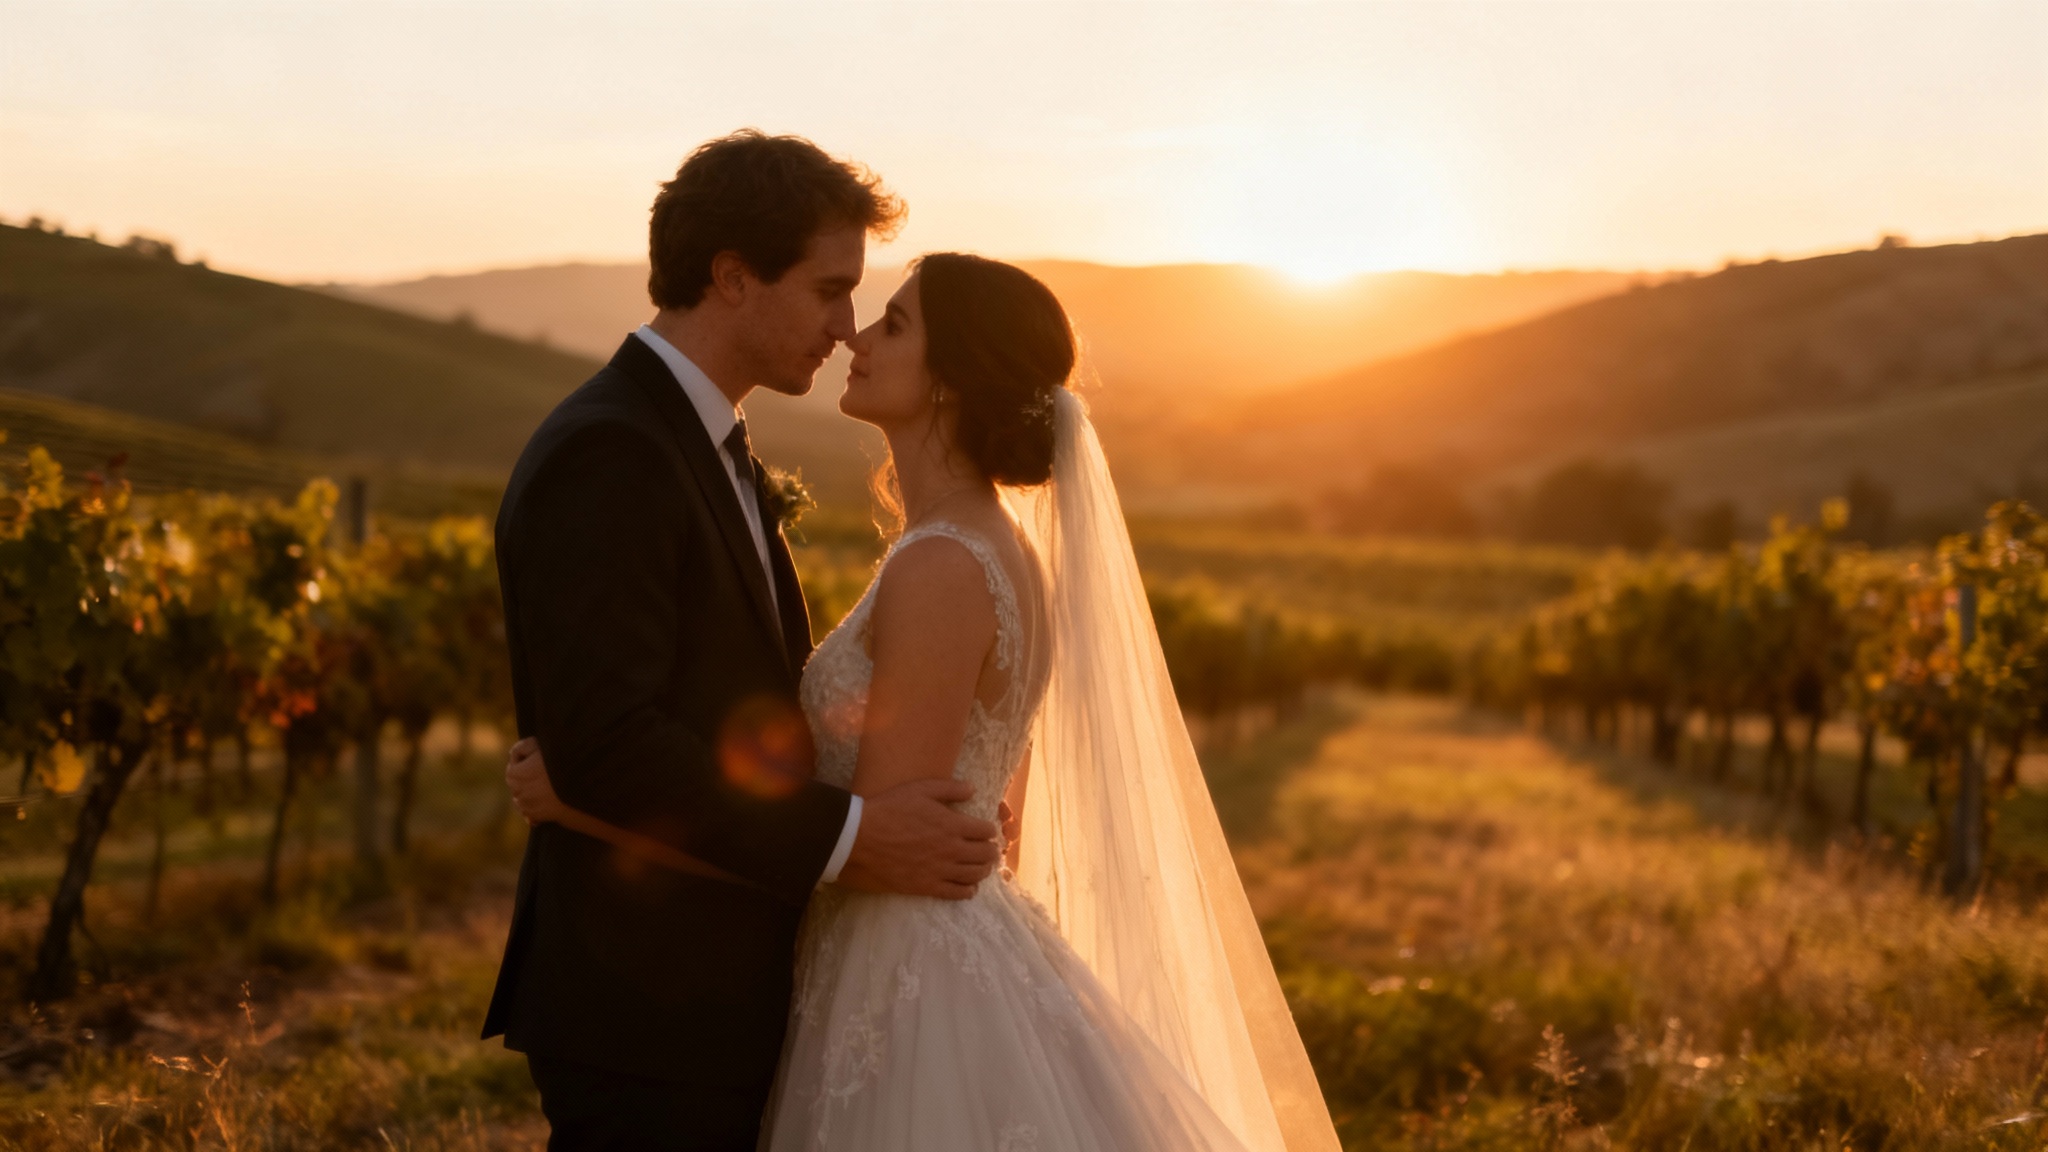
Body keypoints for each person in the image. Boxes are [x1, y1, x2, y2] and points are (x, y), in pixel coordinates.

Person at [505, 246, 1344, 1150]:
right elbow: (965, 812)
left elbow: (878, 849)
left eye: (894, 323)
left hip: (898, 970)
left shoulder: (942, 563)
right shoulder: (985, 547)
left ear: (950, 379)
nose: (857, 335)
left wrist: (592, 807)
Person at [482, 131, 1009, 1152]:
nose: (846, 328)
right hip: (648, 1010)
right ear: (731, 277)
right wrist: (854, 838)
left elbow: (714, 717)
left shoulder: (703, 443)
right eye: (829, 290)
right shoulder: (612, 450)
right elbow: (608, 742)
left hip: (722, 1001)